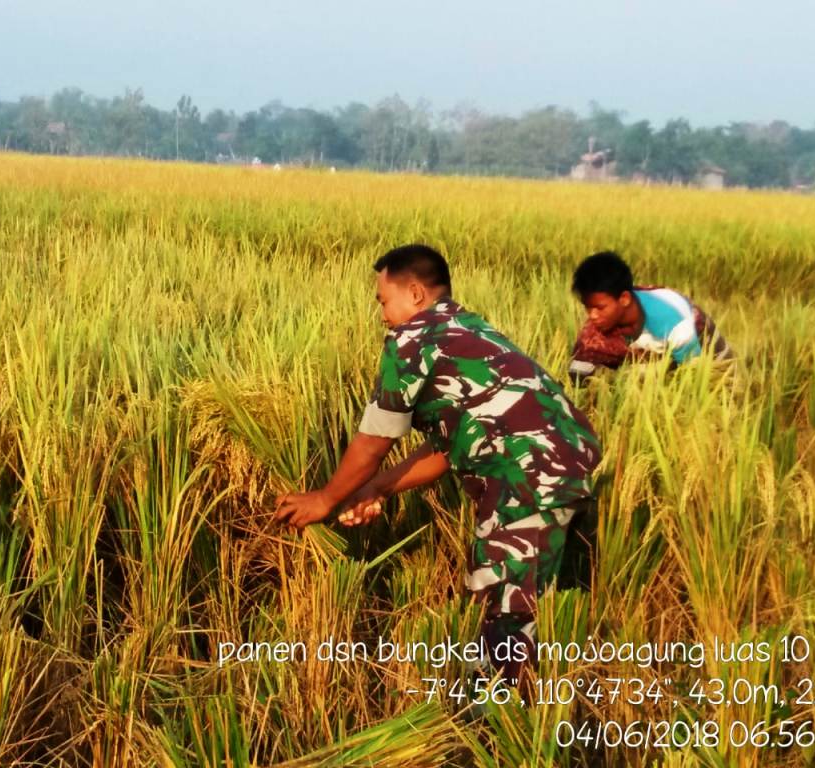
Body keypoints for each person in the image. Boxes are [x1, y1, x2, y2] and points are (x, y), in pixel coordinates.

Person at [274, 244, 602, 682]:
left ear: (414, 294)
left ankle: (498, 719)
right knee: (521, 596)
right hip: (561, 460)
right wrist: (378, 488)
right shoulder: (468, 327)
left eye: (382, 301)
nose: (381, 314)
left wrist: (326, 499)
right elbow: (449, 448)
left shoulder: (411, 339)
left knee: (502, 603)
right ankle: (519, 699)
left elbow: (374, 440)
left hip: (523, 474)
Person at [568, 251, 734, 384]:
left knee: (724, 383)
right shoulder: (596, 327)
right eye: (588, 307)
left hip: (699, 344)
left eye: (599, 308)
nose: (592, 316)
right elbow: (578, 374)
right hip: (652, 350)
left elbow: (694, 377)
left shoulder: (674, 321)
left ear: (624, 299)